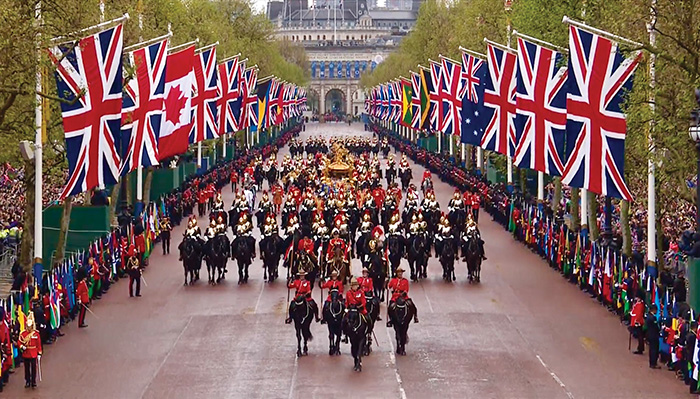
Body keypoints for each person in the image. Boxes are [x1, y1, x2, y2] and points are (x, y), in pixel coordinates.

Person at [18, 313, 41, 388]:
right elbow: (20, 341)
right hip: (26, 352)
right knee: (27, 368)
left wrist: (39, 353)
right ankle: (27, 381)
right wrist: (21, 346)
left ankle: (33, 381)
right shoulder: (23, 334)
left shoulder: (36, 334)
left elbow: (38, 344)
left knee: (34, 368)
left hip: (33, 352)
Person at [645, 304, 660, 369]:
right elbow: (656, 327)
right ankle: (653, 363)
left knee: (651, 349)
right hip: (654, 335)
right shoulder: (652, 318)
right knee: (654, 350)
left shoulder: (648, 316)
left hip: (650, 335)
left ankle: (652, 362)